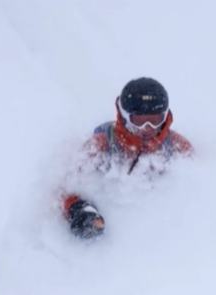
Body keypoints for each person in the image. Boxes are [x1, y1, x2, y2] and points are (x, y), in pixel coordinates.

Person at [59, 77, 194, 239]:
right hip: (115, 236)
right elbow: (64, 184)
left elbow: (199, 183)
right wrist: (77, 209)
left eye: (154, 120)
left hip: (161, 234)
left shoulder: (177, 147)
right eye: (139, 121)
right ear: (124, 116)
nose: (147, 129)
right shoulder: (101, 144)